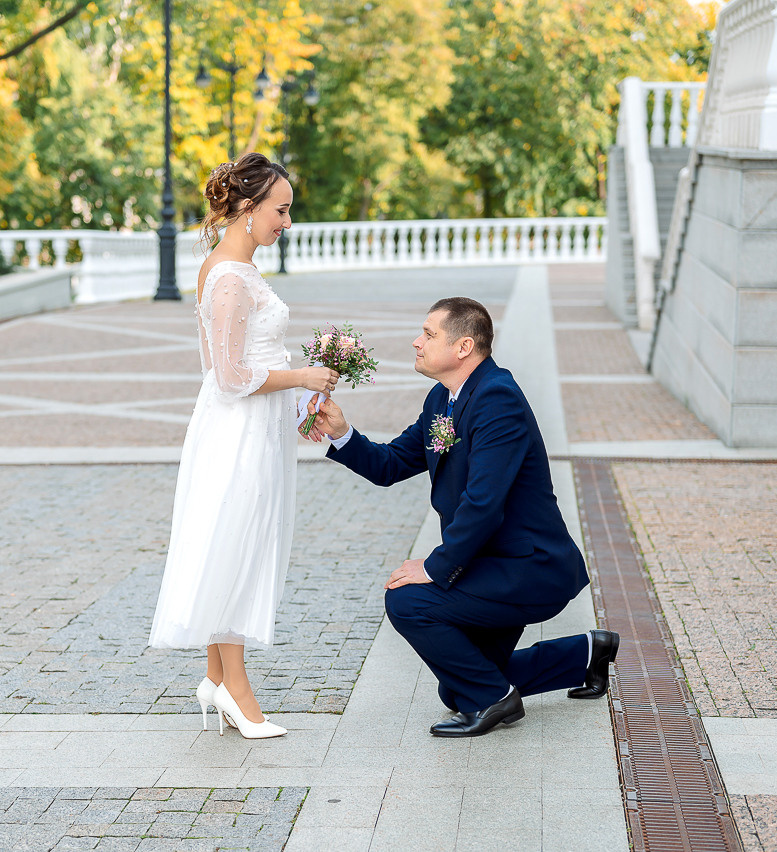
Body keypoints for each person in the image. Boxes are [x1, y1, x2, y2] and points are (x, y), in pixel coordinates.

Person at [306, 297, 620, 737]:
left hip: (528, 568)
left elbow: (483, 504)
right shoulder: (443, 398)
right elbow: (392, 464)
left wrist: (434, 568)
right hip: (490, 564)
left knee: (407, 600)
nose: (417, 342)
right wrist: (343, 434)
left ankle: (496, 701)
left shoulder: (497, 400)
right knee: (458, 691)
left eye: (429, 334)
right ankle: (586, 654)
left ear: (463, 347)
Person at [148, 152, 339, 740]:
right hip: (237, 431)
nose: (286, 222)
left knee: (236, 539)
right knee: (238, 544)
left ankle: (213, 676)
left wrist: (291, 395)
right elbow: (229, 376)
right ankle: (236, 688)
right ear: (249, 206)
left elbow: (225, 368)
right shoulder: (229, 276)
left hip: (247, 424)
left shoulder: (227, 268)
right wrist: (304, 378)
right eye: (280, 209)